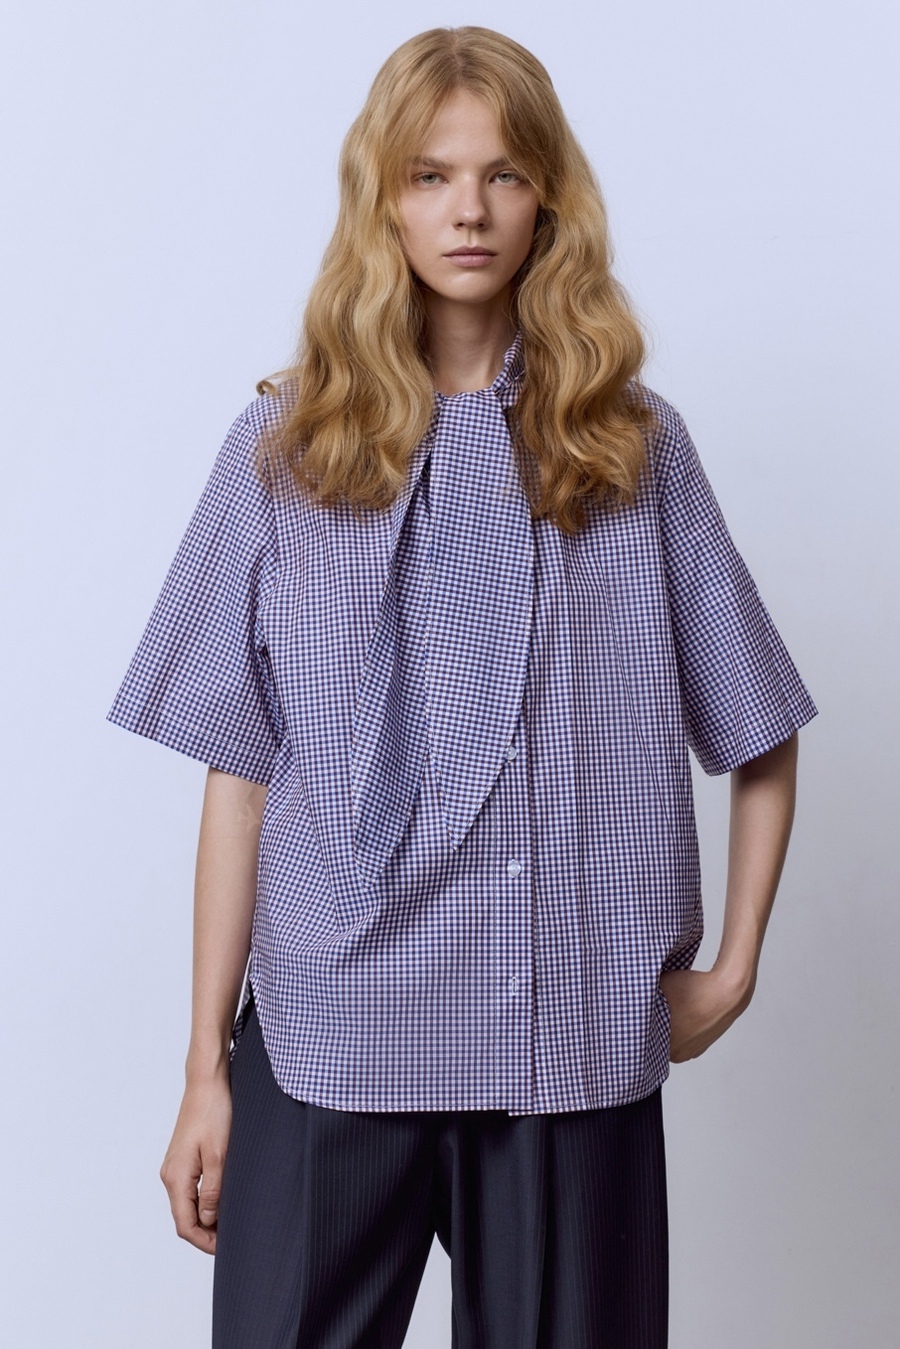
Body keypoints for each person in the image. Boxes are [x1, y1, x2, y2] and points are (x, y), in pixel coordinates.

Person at [107, 25, 817, 1349]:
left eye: (502, 174)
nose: (470, 211)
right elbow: (239, 774)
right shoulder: (283, 448)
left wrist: (734, 970)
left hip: (568, 1040)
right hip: (330, 1030)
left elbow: (760, 726)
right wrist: (207, 1070)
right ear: (383, 199)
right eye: (431, 175)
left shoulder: (633, 448)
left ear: (549, 196)